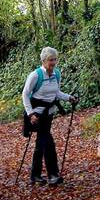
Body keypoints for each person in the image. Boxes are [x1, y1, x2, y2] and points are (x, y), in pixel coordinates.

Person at [22, 47, 75, 186]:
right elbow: (25, 95)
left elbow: (56, 93)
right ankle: (52, 175)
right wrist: (30, 114)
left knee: (42, 143)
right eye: (50, 60)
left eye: (55, 59)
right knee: (47, 142)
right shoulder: (35, 75)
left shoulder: (56, 74)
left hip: (49, 113)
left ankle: (37, 175)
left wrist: (69, 98)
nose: (53, 62)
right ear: (44, 61)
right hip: (37, 115)